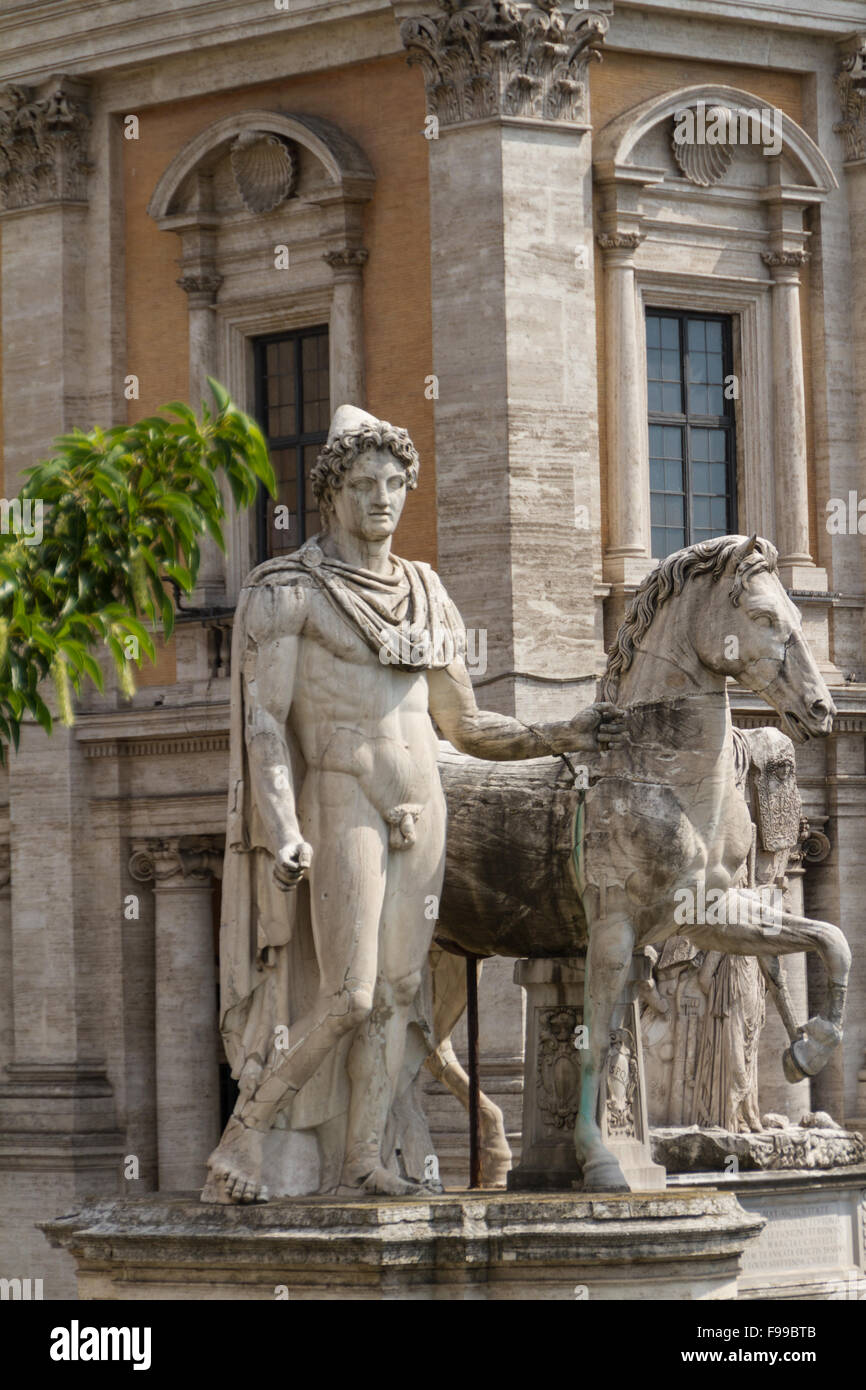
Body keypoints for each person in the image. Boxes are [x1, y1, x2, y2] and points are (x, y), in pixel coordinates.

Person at [203, 404, 622, 1203]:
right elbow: (264, 723)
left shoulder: (427, 595)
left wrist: (559, 731)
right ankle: (245, 1133)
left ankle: (364, 1159)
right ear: (330, 494)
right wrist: (284, 827)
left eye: (395, 483)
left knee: (398, 994)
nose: (382, 499)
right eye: (364, 484)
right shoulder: (290, 592)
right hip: (341, 792)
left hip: (422, 803)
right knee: (347, 994)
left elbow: (464, 725)